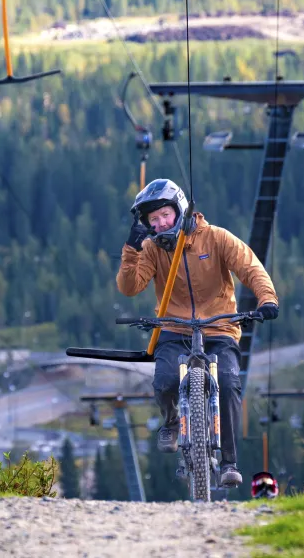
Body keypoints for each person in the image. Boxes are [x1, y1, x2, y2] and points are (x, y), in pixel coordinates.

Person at [116, 178, 279, 488]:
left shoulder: (215, 238)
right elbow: (129, 287)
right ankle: (172, 422)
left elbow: (251, 268)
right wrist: (131, 250)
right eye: (154, 219)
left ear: (179, 210)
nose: (161, 222)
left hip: (219, 326)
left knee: (229, 383)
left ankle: (229, 462)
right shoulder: (152, 248)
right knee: (164, 380)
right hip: (174, 327)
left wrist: (267, 299)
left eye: (165, 214)